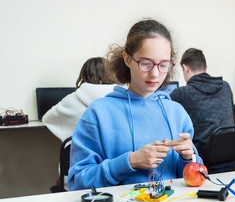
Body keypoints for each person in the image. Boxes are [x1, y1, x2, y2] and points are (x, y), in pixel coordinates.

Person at [67, 19, 203, 190]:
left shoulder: (177, 113)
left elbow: (195, 176)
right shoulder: (98, 114)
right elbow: (78, 182)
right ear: (127, 59)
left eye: (163, 65)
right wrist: (129, 161)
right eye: (146, 64)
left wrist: (188, 159)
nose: (155, 74)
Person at [170, 48, 235, 174]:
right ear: (205, 68)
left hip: (202, 164)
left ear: (185, 68)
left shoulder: (182, 93)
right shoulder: (225, 87)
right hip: (233, 162)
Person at [42, 57, 116, 142]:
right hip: (118, 153)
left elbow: (47, 118)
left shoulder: (72, 98)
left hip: (82, 153)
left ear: (84, 74)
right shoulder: (122, 97)